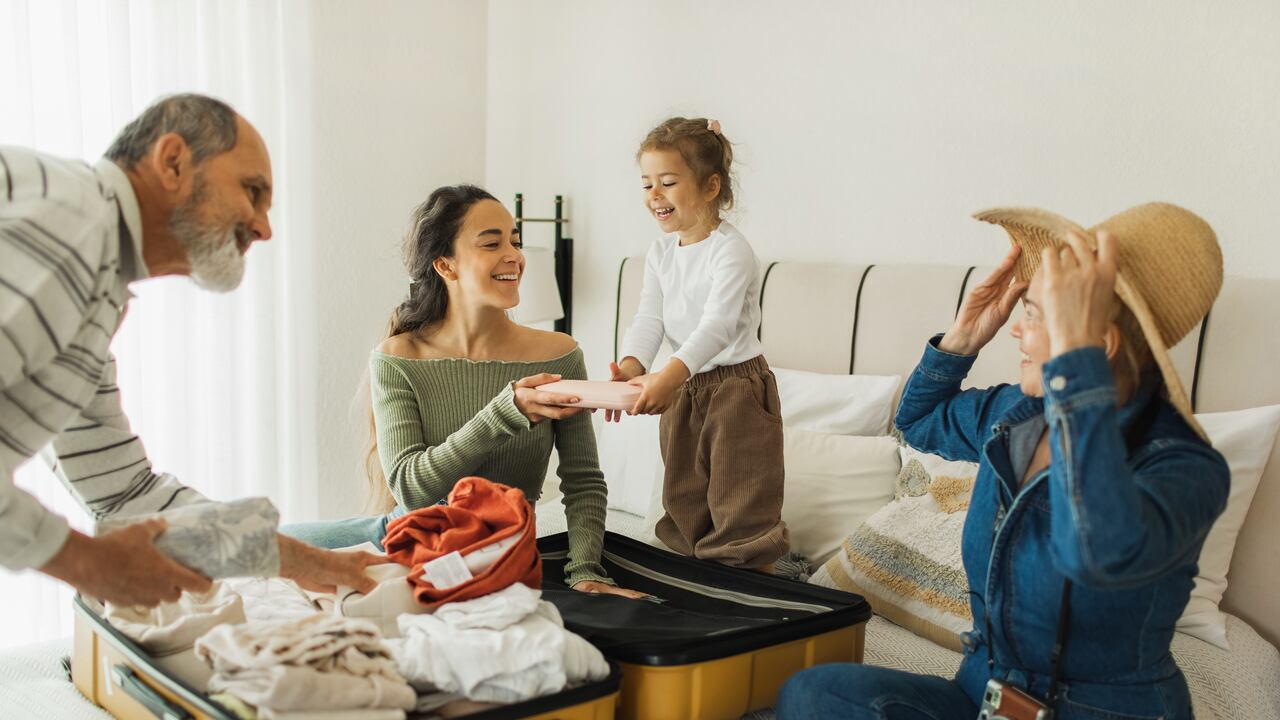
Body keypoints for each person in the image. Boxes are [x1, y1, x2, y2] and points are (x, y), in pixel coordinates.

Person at [776, 203, 1230, 719]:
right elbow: (920, 421)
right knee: (815, 695)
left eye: (1035, 314)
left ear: (1094, 346)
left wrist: (1074, 375)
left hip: (1099, 712)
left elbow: (1092, 550)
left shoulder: (1185, 468)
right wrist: (963, 338)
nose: (1017, 328)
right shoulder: (1019, 414)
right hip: (985, 696)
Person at [0, 93, 385, 609]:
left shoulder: (96, 286)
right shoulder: (73, 221)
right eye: (252, 191)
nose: (263, 227)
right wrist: (87, 563)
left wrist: (310, 563)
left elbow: (126, 495)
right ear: (173, 161)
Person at [282, 185, 642, 598]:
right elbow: (412, 491)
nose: (514, 256)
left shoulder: (558, 354)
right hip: (407, 539)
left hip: (499, 550)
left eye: (516, 241)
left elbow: (583, 480)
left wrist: (585, 571)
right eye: (492, 243)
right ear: (445, 266)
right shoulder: (399, 357)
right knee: (267, 553)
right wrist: (507, 411)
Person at [611, 117, 788, 572]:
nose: (654, 194)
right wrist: (632, 367)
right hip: (685, 387)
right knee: (684, 495)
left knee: (739, 495)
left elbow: (718, 326)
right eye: (647, 183)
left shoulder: (731, 250)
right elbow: (649, 317)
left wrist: (669, 374)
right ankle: (692, 577)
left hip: (736, 389)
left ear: (711, 187)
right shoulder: (660, 253)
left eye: (668, 182)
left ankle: (751, 583)